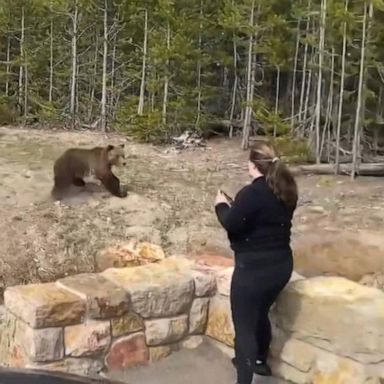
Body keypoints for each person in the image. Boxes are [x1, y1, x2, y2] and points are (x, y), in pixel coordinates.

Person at [214, 142, 298, 384]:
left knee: (244, 328)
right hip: (281, 265)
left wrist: (220, 205)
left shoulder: (251, 193)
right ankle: (260, 361)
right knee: (260, 312)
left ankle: (244, 376)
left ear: (252, 165)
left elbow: (232, 223)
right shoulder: (286, 188)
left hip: (253, 270)